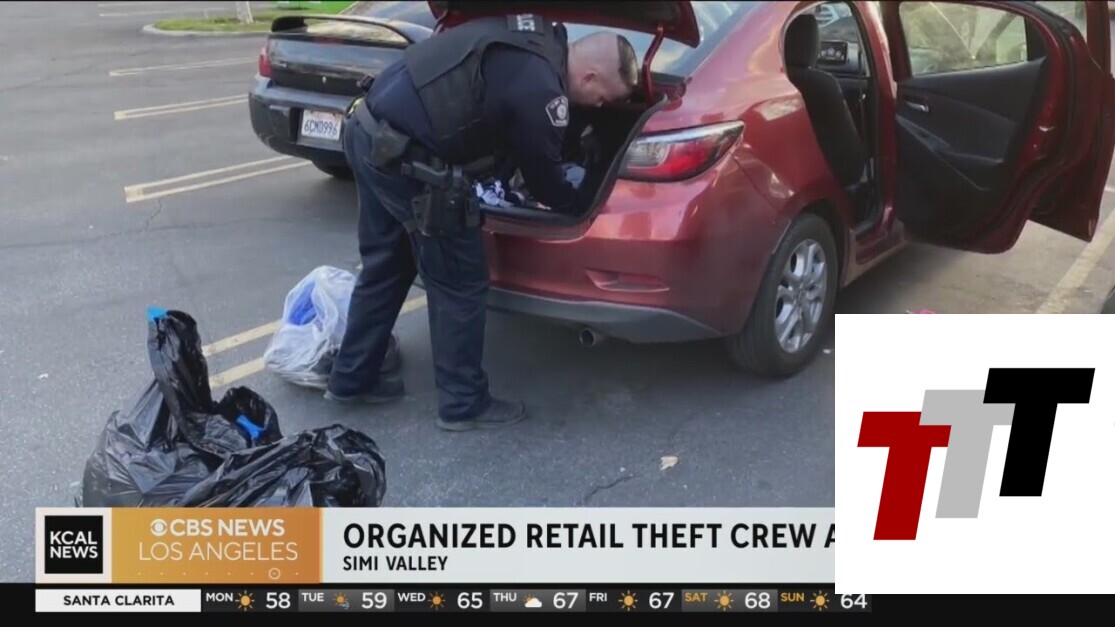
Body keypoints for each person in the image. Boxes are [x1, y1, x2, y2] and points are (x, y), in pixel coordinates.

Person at [325, 13, 640, 431]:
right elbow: (544, 182)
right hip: (410, 161)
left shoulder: (535, 36)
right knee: (460, 279)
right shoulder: (543, 90)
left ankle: (350, 380)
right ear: (590, 76)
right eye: (602, 98)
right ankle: (463, 403)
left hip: (368, 131)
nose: (600, 107)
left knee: (388, 261)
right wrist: (580, 204)